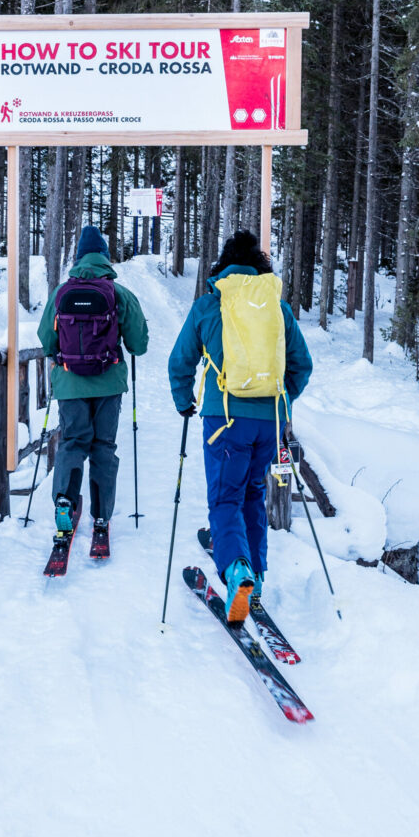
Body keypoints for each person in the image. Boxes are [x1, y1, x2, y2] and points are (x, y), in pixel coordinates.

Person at [168, 230, 312, 623]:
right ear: (259, 267)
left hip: (224, 419)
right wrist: (282, 403)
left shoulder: (209, 304)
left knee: (225, 498)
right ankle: (257, 578)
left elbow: (179, 362)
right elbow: (303, 365)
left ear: (224, 265)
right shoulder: (277, 309)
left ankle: (236, 573)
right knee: (252, 495)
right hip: (268, 421)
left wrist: (185, 401)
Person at [37, 225, 149, 536]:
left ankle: (65, 502)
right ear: (105, 258)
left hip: (70, 384)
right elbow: (139, 344)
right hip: (109, 383)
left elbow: (46, 340)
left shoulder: (61, 293)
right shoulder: (119, 293)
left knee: (73, 442)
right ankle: (101, 515)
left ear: (77, 258)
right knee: (103, 447)